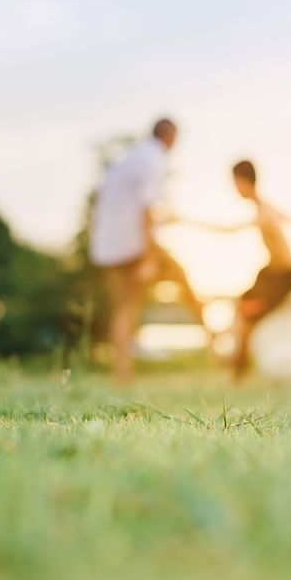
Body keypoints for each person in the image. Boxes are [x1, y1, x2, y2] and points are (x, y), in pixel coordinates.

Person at [90, 118, 205, 385]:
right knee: (182, 278)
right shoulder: (155, 160)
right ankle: (215, 344)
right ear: (170, 137)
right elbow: (146, 210)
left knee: (124, 308)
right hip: (134, 245)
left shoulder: (130, 158)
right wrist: (149, 258)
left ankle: (123, 374)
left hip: (109, 245)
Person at [191, 160, 291, 380]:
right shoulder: (265, 207)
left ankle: (238, 373)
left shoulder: (264, 213)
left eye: (235, 183)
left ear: (243, 182)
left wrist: (188, 221)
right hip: (268, 273)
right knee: (241, 316)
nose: (234, 189)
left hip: (282, 277)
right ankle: (238, 370)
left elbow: (228, 231)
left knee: (244, 320)